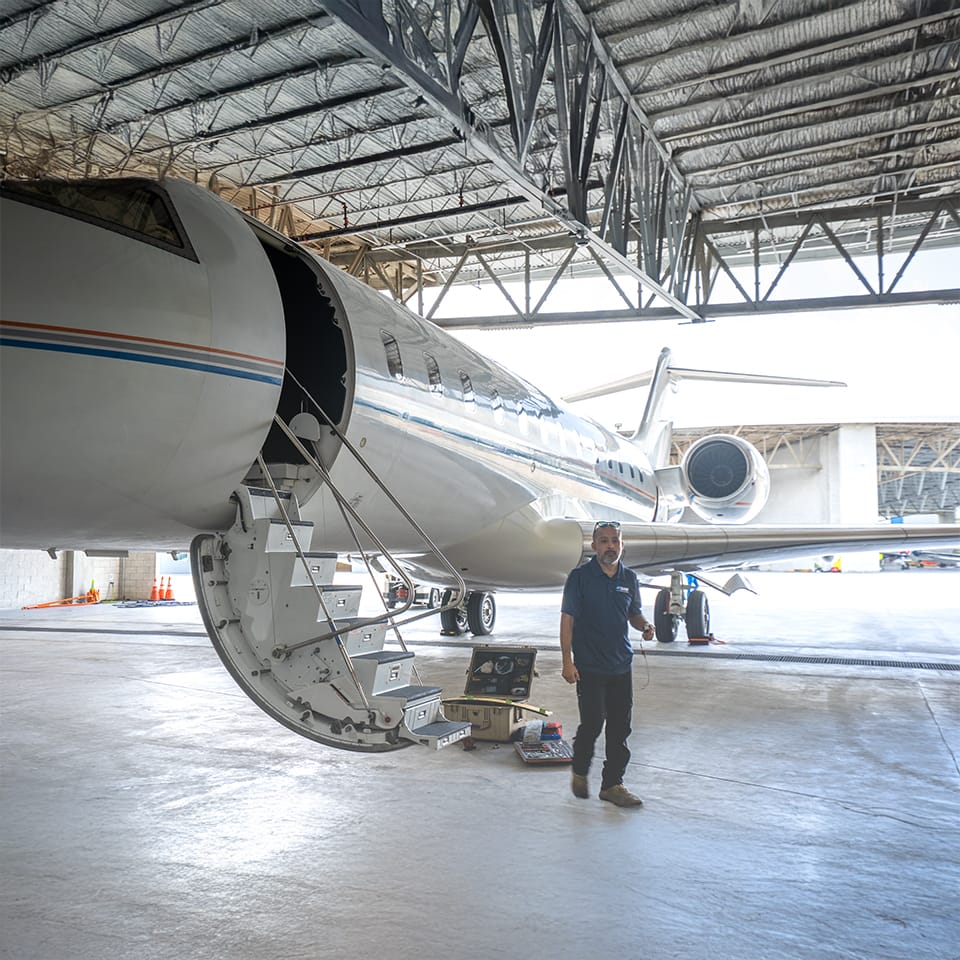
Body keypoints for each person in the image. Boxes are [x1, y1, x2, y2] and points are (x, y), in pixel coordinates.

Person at [560, 520, 654, 807]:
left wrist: (645, 626)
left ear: (622, 545)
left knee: (620, 728)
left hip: (621, 665)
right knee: (592, 724)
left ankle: (612, 784)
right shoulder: (579, 577)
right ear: (594, 546)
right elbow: (567, 620)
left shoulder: (629, 578)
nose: (610, 546)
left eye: (615, 540)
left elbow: (633, 614)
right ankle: (580, 769)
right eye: (604, 541)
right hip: (589, 665)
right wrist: (567, 660)